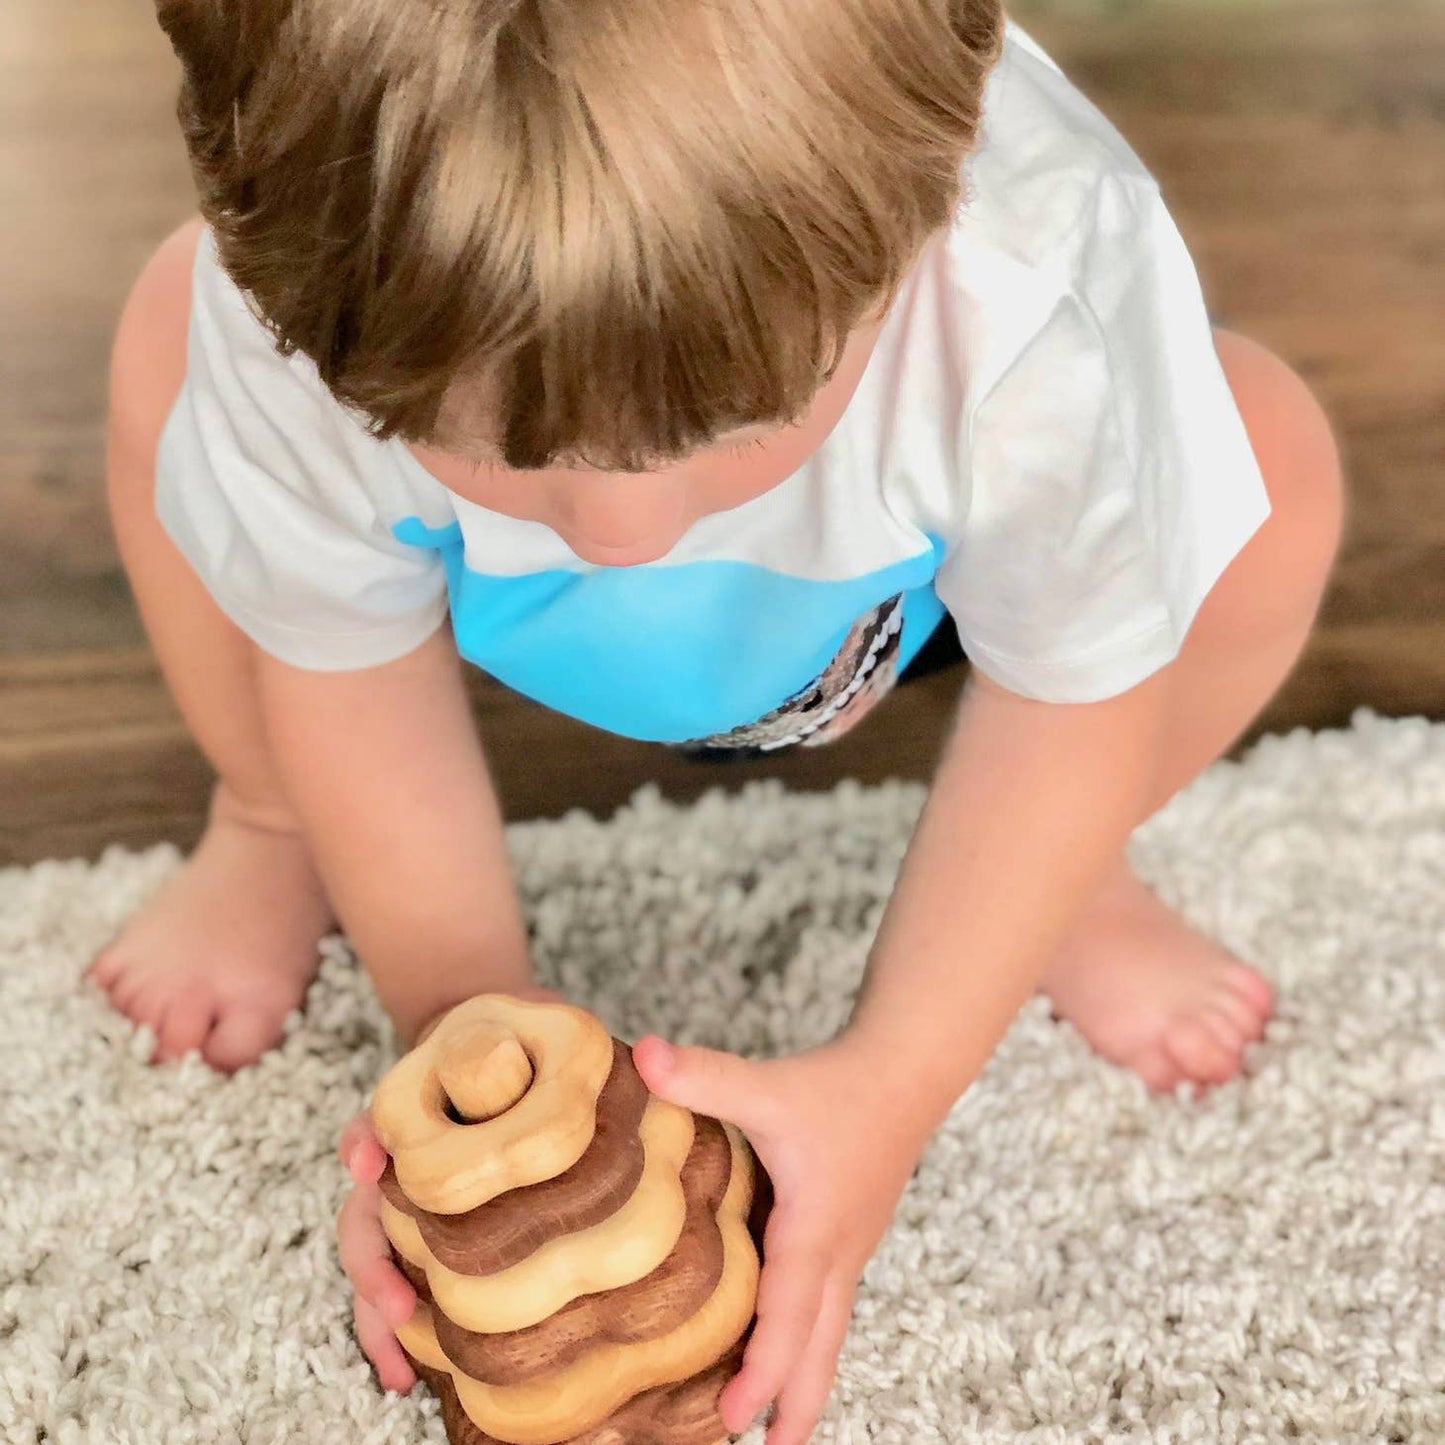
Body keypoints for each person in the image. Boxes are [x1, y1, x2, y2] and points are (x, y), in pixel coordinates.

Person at [89, 1, 1345, 1438]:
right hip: (478, 602)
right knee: (159, 340)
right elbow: (340, 661)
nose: (623, 532)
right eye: (494, 441)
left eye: (732, 421)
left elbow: (1076, 688)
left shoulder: (1031, 273)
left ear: (918, 208)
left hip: (907, 604)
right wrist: (461, 1041)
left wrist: (887, 1086)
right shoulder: (300, 285)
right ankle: (263, 817)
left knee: (1264, 464)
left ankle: (1071, 872)